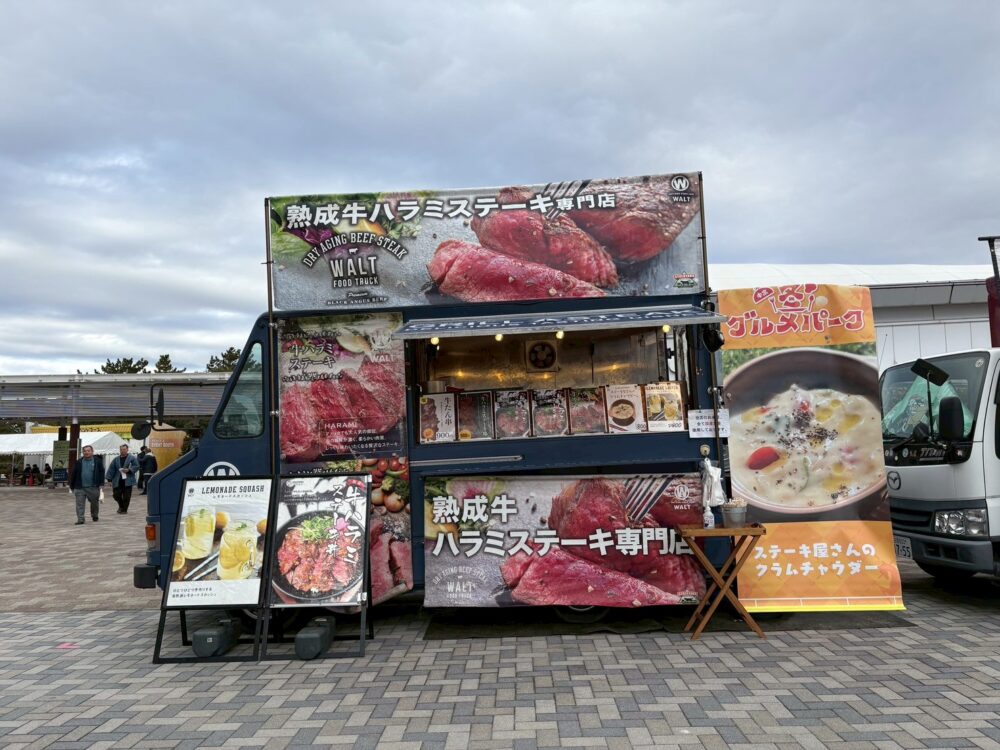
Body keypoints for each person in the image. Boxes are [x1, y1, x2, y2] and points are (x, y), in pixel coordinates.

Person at [69, 445, 105, 524]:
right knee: (79, 504)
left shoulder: (97, 461)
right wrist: (72, 486)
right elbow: (73, 474)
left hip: (93, 487)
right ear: (83, 452)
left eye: (88, 451)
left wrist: (101, 483)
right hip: (80, 487)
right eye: (85, 451)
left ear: (92, 451)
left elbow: (101, 472)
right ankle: (81, 519)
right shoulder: (79, 462)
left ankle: (94, 515)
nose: (86, 452)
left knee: (94, 503)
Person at [106, 444, 140, 514]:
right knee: (116, 495)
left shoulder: (132, 458)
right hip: (117, 480)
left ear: (127, 450)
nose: (122, 451)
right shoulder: (116, 459)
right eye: (121, 449)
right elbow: (111, 469)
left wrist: (129, 470)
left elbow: (136, 466)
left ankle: (124, 510)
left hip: (128, 480)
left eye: (124, 449)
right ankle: (121, 506)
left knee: (127, 496)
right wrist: (109, 479)